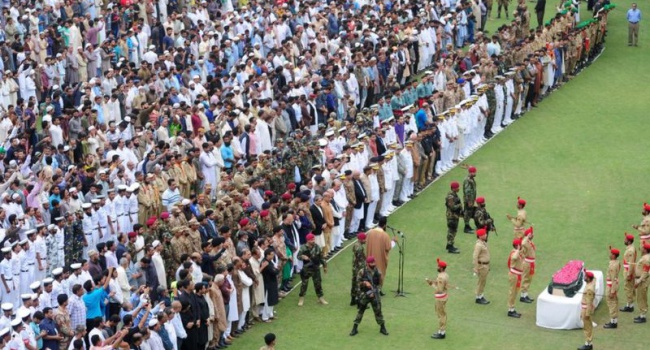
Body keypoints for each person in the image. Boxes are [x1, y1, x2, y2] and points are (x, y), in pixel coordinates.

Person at [349, 256, 388, 336]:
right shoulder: (362, 272)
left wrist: (376, 290)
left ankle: (382, 327)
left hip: (375, 294)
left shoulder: (377, 271)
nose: (373, 264)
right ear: (368, 263)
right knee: (361, 311)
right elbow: (357, 283)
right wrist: (364, 283)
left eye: (374, 262)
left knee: (378, 311)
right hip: (365, 294)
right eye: (372, 263)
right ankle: (355, 327)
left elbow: (380, 283)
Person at [365, 217, 397, 291]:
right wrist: (394, 241)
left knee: (370, 272)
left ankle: (369, 287)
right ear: (385, 225)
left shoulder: (370, 232)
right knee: (379, 273)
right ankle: (377, 289)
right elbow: (388, 247)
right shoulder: (385, 235)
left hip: (370, 257)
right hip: (379, 259)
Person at [297, 233, 328, 307]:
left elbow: (321, 257)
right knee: (304, 284)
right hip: (306, 268)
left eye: (313, 239)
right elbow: (298, 256)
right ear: (308, 240)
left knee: (318, 283)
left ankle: (320, 298)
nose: (313, 240)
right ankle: (301, 298)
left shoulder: (317, 247)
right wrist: (302, 257)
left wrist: (324, 266)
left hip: (315, 268)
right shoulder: (303, 248)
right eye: (311, 239)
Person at [426, 258, 449, 340]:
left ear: (441, 268)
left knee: (441, 314)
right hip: (444, 296)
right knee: (442, 313)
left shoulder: (441, 278)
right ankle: (440, 330)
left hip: (440, 298)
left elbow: (439, 289)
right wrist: (432, 282)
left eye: (438, 266)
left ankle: (442, 332)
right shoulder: (445, 275)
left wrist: (431, 284)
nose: (437, 267)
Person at [604, 247, 621, 329]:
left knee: (611, 303)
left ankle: (613, 322)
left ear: (614, 255)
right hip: (612, 285)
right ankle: (613, 321)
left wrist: (612, 291)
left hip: (611, 286)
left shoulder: (613, 266)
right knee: (613, 302)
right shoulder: (615, 262)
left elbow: (613, 279)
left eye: (611, 254)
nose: (610, 255)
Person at [578, 270, 596, 350]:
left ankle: (588, 344)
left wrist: (587, 313)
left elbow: (589, 302)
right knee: (587, 327)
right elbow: (594, 278)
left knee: (587, 327)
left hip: (586, 310)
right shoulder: (591, 283)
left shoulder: (589, 289)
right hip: (585, 308)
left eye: (586, 276)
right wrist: (586, 271)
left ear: (588, 279)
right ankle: (588, 343)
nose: (584, 277)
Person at [633, 242, 650, 323]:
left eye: (642, 248)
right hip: (642, 280)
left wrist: (638, 281)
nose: (641, 248)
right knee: (641, 297)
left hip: (642, 281)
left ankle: (642, 316)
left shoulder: (646, 259)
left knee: (641, 298)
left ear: (645, 250)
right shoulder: (646, 257)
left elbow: (645, 272)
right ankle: (642, 314)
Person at [472, 228, 490, 305]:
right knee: (481, 281)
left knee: (483, 281)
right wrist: (476, 268)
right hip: (482, 265)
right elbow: (475, 257)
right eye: (484, 234)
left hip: (485, 265)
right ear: (480, 236)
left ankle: (481, 295)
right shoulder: (479, 245)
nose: (486, 235)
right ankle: (478, 297)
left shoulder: (483, 243)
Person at [620, 233, 637, 312]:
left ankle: (630, 306)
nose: (624, 240)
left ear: (629, 241)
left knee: (628, 288)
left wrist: (629, 274)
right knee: (629, 288)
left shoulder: (630, 250)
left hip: (628, 271)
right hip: (628, 270)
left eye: (625, 239)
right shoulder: (631, 248)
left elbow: (630, 263)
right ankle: (630, 304)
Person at [507, 238, 523, 318]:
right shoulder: (514, 253)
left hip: (517, 275)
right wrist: (518, 249)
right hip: (514, 275)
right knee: (512, 292)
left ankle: (512, 308)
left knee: (515, 292)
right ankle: (510, 310)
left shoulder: (516, 252)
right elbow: (514, 258)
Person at [520, 226, 536, 303]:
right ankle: (523, 295)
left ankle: (525, 294)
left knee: (529, 279)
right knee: (526, 278)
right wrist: (527, 236)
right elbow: (523, 243)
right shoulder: (526, 242)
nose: (533, 235)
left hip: (531, 262)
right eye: (531, 234)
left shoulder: (530, 242)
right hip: (528, 263)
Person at [445, 182, 462, 254]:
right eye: (457, 187)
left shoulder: (453, 195)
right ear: (454, 188)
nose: (459, 188)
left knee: (453, 230)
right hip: (452, 216)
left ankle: (450, 244)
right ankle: (450, 246)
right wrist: (459, 205)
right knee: (452, 230)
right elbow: (452, 207)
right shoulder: (450, 197)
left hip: (454, 215)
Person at [351, 232, 367, 306]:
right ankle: (360, 302)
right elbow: (361, 260)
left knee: (354, 283)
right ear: (361, 239)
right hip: (359, 268)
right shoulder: (360, 248)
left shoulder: (355, 245)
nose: (365, 240)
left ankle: (353, 299)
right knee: (360, 284)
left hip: (354, 267)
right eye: (364, 239)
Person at [462, 166, 477, 234]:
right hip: (468, 200)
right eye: (474, 172)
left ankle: (467, 225)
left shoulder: (471, 179)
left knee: (469, 212)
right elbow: (467, 191)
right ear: (471, 172)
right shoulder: (468, 180)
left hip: (470, 199)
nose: (475, 173)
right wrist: (469, 201)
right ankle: (466, 228)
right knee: (467, 213)